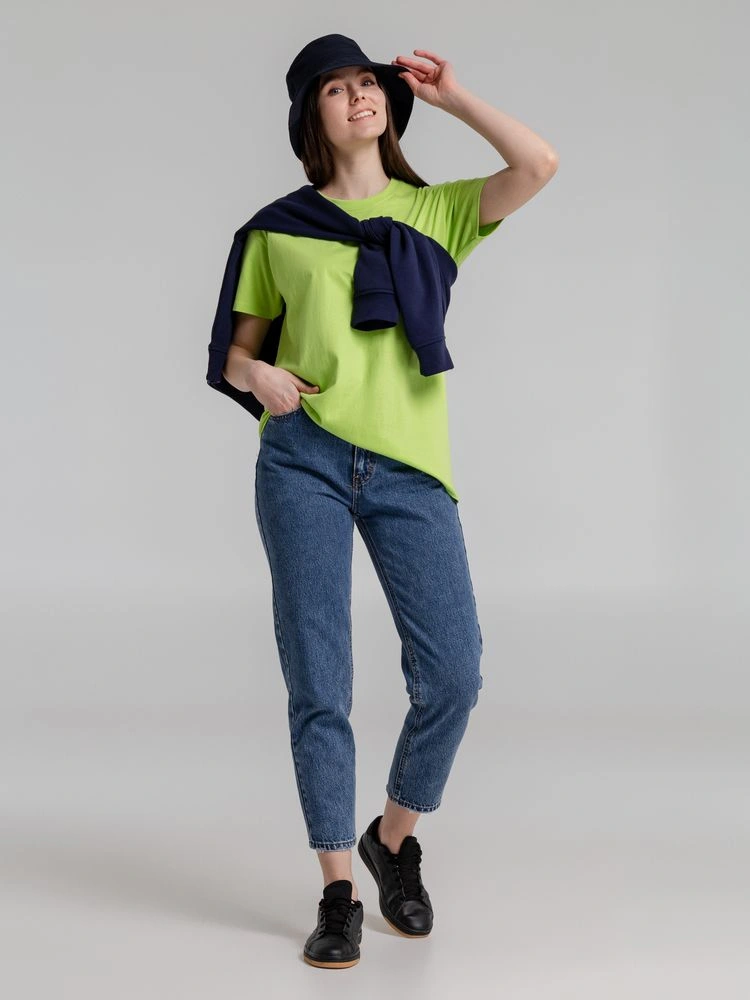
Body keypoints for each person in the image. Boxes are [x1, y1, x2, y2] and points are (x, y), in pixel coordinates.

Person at [222, 33, 558, 969]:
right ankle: (337, 890)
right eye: (336, 88)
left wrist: (455, 99)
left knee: (454, 673)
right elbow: (235, 354)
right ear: (312, 117)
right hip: (303, 462)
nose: (359, 95)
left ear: (389, 104)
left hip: (409, 468)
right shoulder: (276, 230)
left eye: (367, 82)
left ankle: (392, 840)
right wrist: (261, 378)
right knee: (319, 680)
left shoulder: (436, 212)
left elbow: (538, 163)